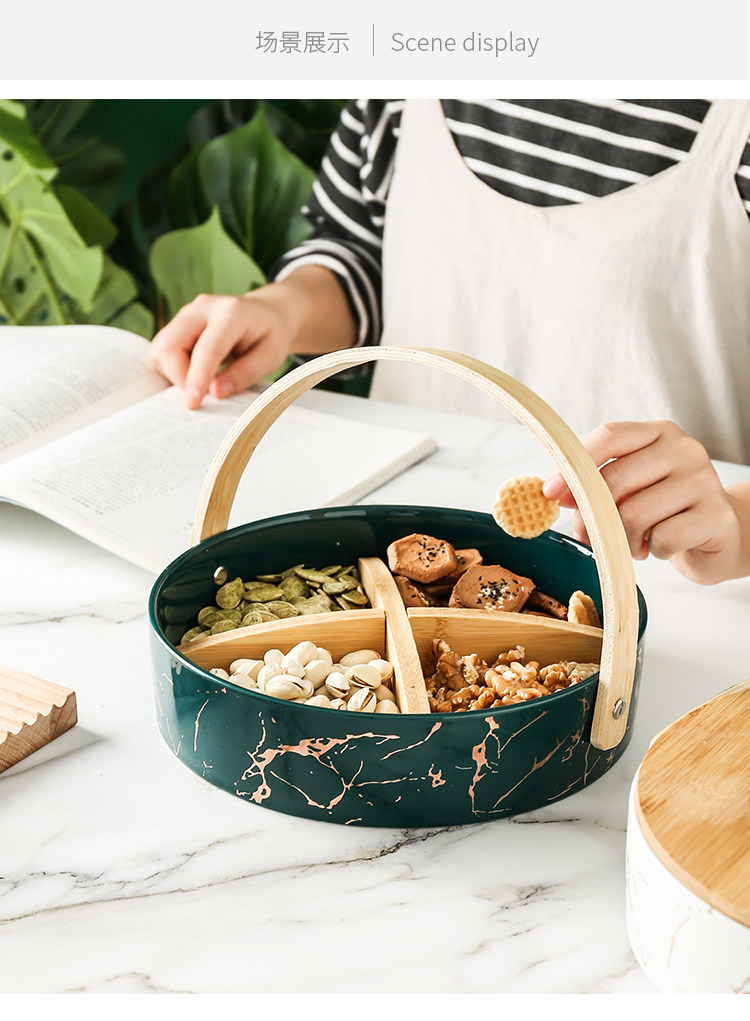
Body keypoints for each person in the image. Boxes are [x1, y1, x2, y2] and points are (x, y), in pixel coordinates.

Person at [149, 99, 750, 585]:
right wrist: (285, 307)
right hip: (392, 544)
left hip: (664, 575)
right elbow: (363, 250)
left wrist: (738, 526)